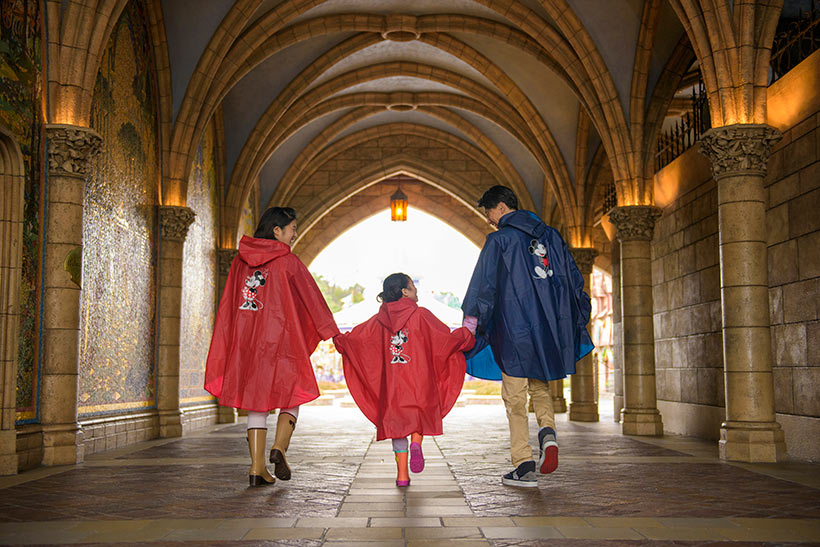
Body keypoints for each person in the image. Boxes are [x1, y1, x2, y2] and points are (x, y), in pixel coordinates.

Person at [462, 185, 593, 487]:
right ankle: (548, 433)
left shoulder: (500, 241)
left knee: (515, 398)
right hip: (546, 328)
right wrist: (573, 319)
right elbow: (573, 281)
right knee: (541, 385)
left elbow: (485, 287)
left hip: (514, 330)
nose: (489, 219)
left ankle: (523, 465)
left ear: (502, 207)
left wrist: (472, 323)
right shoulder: (553, 237)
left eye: (489, 212)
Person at [205, 207, 339, 487]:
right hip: (282, 341)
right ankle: (279, 446)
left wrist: (232, 339)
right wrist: (331, 332)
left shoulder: (239, 263)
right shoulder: (288, 261)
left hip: (248, 343)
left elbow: (229, 303)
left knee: (257, 405)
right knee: (293, 396)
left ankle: (256, 469)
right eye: (292, 228)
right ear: (276, 230)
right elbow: (312, 299)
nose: (295, 233)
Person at [333, 273, 474, 486]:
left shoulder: (377, 321)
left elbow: (356, 341)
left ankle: (402, 476)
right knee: (419, 417)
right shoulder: (422, 315)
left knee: (397, 425)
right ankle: (416, 442)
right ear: (405, 292)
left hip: (392, 386)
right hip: (420, 380)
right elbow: (445, 340)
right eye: (412, 286)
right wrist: (466, 335)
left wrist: (339, 338)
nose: (416, 290)